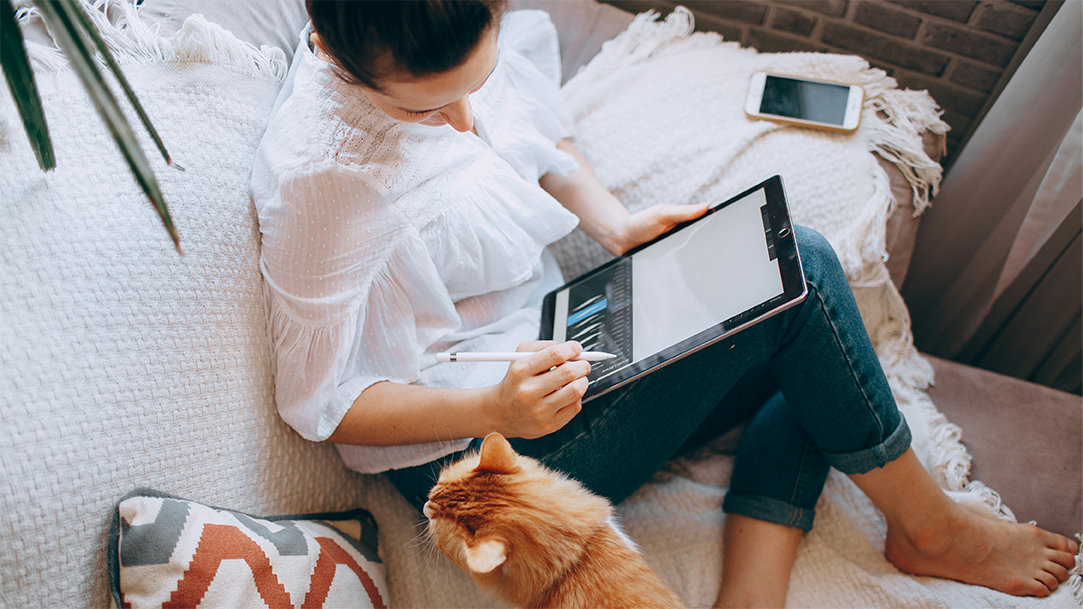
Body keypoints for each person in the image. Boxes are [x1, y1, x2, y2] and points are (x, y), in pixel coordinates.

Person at [250, 1, 1077, 605]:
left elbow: (533, 135)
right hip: (475, 458)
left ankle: (752, 593)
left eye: (479, 82)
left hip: (551, 348)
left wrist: (614, 223)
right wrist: (492, 406)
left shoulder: (441, 34)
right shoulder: (325, 181)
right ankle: (929, 527)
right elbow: (321, 403)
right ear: (326, 47)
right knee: (806, 278)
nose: (466, 121)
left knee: (799, 310)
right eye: (428, 108)